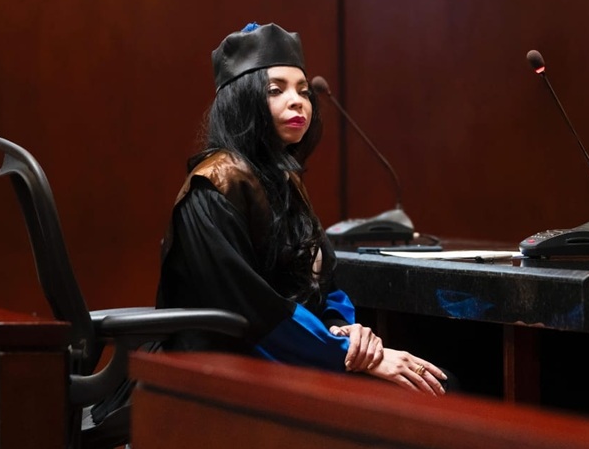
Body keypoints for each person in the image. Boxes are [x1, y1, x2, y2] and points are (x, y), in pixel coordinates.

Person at [156, 22, 447, 395]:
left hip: (298, 355)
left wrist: (343, 329)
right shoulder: (213, 187)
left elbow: (324, 282)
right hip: (230, 372)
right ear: (242, 101)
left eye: (304, 91)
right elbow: (249, 309)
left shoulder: (283, 182)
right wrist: (342, 352)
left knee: (441, 386)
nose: (298, 101)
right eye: (276, 90)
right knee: (428, 396)